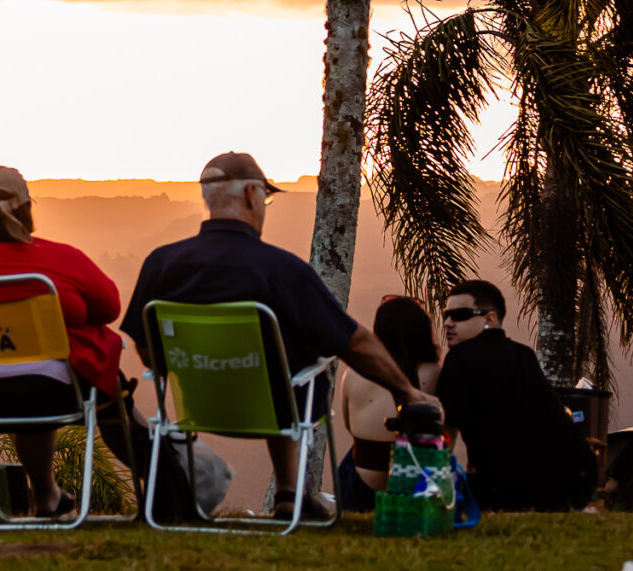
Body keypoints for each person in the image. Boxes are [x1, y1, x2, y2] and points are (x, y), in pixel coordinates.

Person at [124, 153, 435, 521]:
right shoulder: (281, 268)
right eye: (266, 198)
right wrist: (407, 393)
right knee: (298, 368)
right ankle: (290, 491)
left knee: (279, 365)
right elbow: (355, 342)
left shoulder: (161, 263)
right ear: (253, 194)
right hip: (273, 408)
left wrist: (192, 365)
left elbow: (144, 347)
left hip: (196, 404)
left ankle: (287, 495)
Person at [0, 166, 132, 518]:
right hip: (51, 392)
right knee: (53, 373)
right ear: (27, 208)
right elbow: (110, 308)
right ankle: (161, 488)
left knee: (29, 375)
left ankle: (47, 497)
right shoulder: (61, 259)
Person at [433, 279, 597, 512]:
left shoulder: (460, 359)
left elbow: (446, 436)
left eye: (459, 315)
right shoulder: (523, 354)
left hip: (517, 491)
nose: (448, 323)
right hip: (575, 480)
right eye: (445, 314)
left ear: (489, 319)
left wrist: (430, 489)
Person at [337, 297, 442, 511]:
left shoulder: (354, 374)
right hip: (417, 477)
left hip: (363, 484)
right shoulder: (435, 373)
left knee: (354, 451)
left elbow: (349, 426)